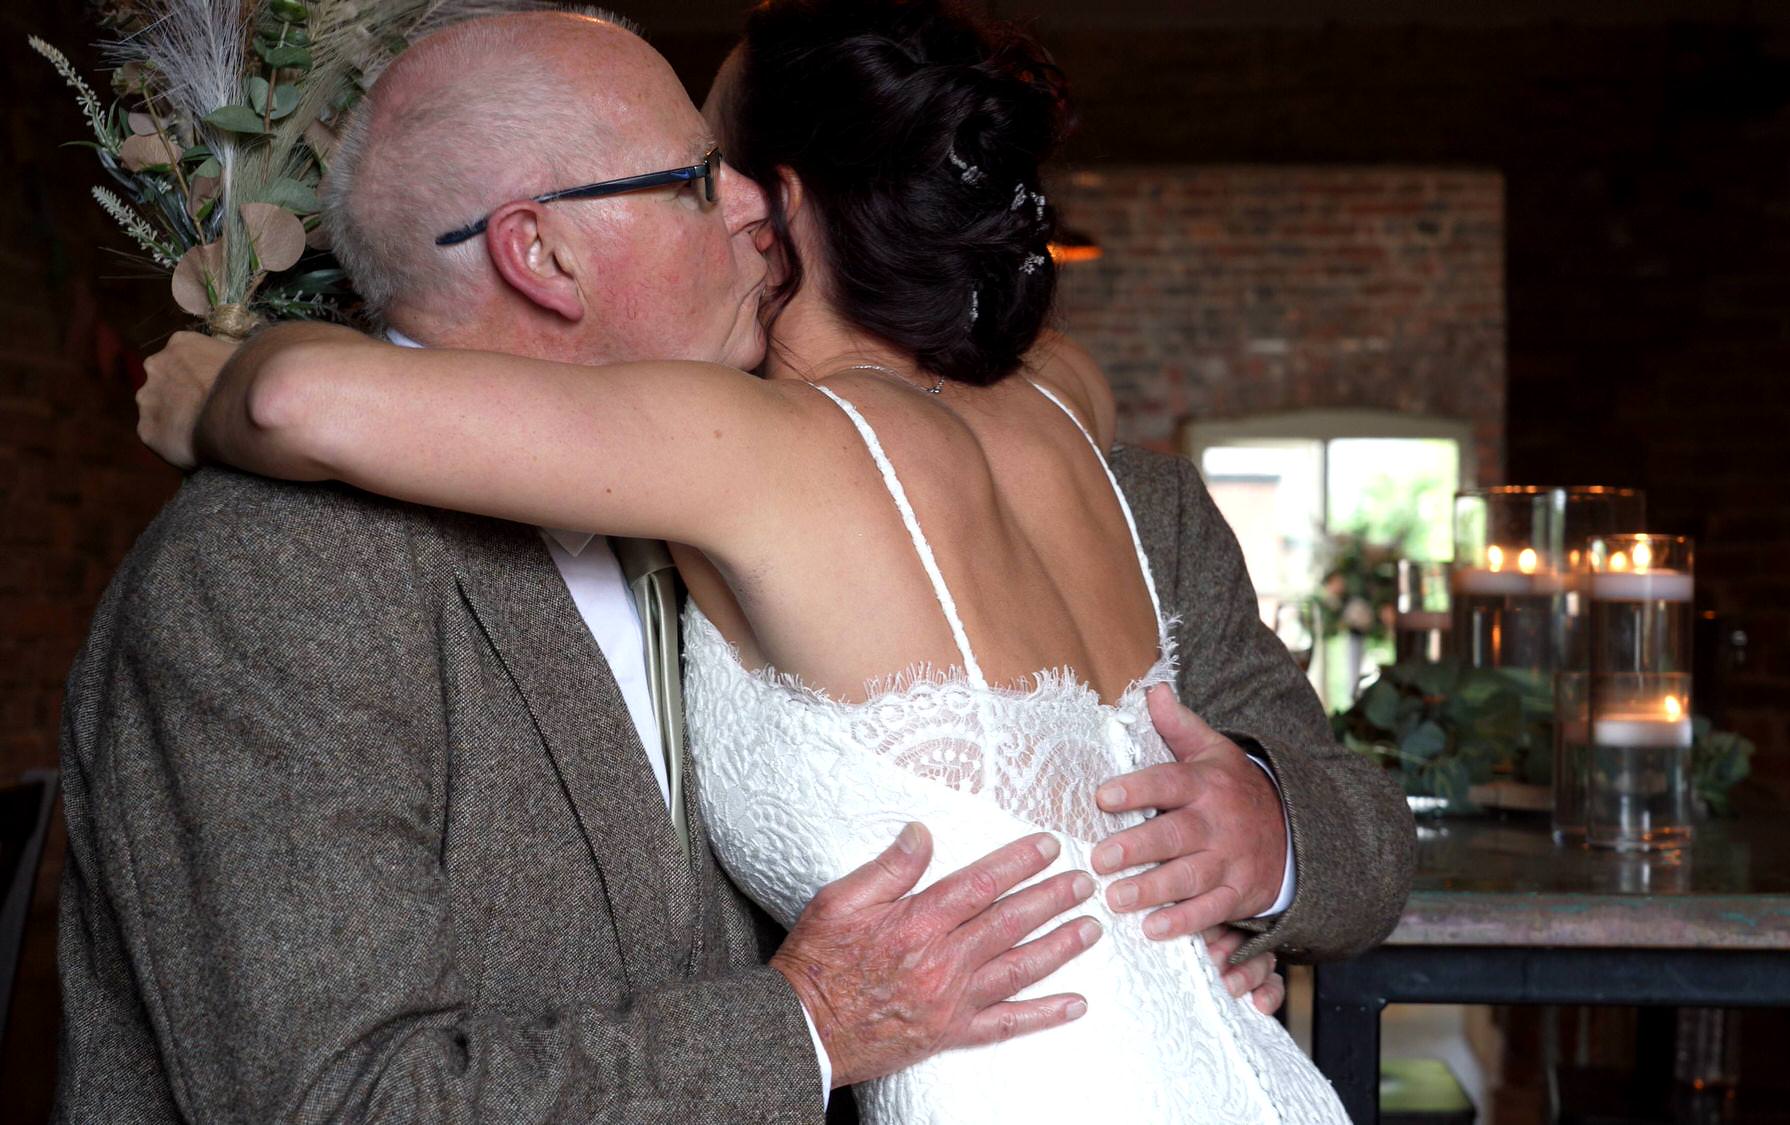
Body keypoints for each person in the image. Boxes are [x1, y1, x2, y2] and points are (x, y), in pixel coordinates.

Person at [79, 5, 1410, 1123]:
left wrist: (1235, 885)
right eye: (688, 180)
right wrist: (806, 1026)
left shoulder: (979, 467)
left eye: (738, 174)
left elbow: (1351, 831)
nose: (740, 217)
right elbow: (333, 1097)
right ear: (538, 252)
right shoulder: (276, 574)